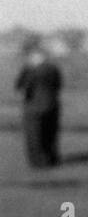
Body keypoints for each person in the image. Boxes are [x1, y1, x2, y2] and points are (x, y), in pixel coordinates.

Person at [15, 40, 62, 169]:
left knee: (34, 136)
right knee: (50, 134)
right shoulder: (53, 69)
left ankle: (37, 162)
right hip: (52, 104)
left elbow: (21, 86)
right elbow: (58, 85)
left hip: (33, 106)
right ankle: (51, 159)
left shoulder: (30, 70)